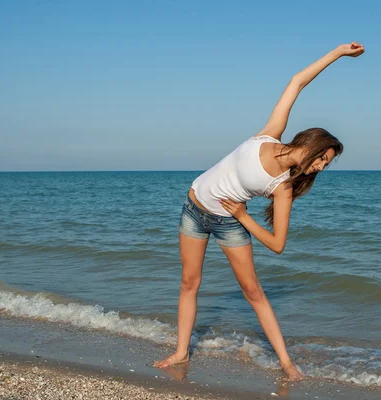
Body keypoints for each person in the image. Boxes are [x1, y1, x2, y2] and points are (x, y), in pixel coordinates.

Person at [154, 42, 365, 380]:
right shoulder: (268, 135)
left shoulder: (283, 188)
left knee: (253, 291)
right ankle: (181, 352)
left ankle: (286, 364)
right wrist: (338, 53)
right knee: (188, 282)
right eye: (322, 159)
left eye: (326, 164)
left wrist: (242, 216)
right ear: (311, 144)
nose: (321, 168)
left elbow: (278, 244)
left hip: (229, 222)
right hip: (194, 208)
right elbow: (297, 82)